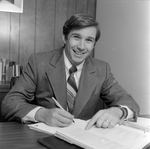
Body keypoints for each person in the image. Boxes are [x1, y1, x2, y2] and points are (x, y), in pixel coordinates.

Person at [1, 13, 140, 130]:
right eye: (76, 37)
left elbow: (129, 102)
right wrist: (42, 114)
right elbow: (9, 103)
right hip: (44, 138)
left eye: (89, 40)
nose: (81, 46)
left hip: (83, 139)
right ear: (65, 38)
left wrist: (117, 112)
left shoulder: (101, 69)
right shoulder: (39, 62)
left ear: (94, 45)